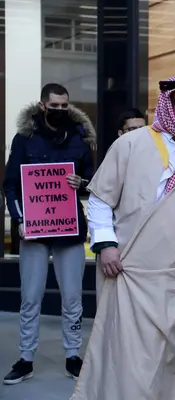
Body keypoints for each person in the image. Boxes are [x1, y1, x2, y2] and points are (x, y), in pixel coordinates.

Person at [70, 75, 175, 400]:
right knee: (134, 358)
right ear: (165, 106)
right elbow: (99, 200)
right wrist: (106, 245)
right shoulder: (130, 144)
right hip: (133, 273)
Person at [2, 83, 95, 384]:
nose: (60, 110)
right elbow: (11, 183)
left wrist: (80, 183)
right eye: (54, 105)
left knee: (73, 298)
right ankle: (25, 358)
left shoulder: (81, 138)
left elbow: (94, 182)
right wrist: (18, 220)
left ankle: (72, 355)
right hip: (35, 230)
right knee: (30, 297)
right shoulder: (25, 138)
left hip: (69, 230)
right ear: (43, 105)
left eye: (64, 105)